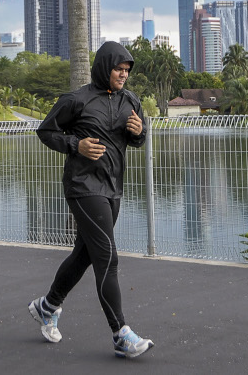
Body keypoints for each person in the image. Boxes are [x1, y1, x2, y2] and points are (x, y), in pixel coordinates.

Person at [28, 41, 154, 358]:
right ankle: (120, 334)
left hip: (113, 188)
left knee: (85, 254)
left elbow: (136, 140)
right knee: (107, 257)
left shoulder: (131, 101)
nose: (123, 75)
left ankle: (48, 305)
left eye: (127, 70)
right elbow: (46, 131)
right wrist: (76, 145)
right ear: (103, 67)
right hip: (83, 186)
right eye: (118, 69)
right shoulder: (77, 100)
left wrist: (140, 132)